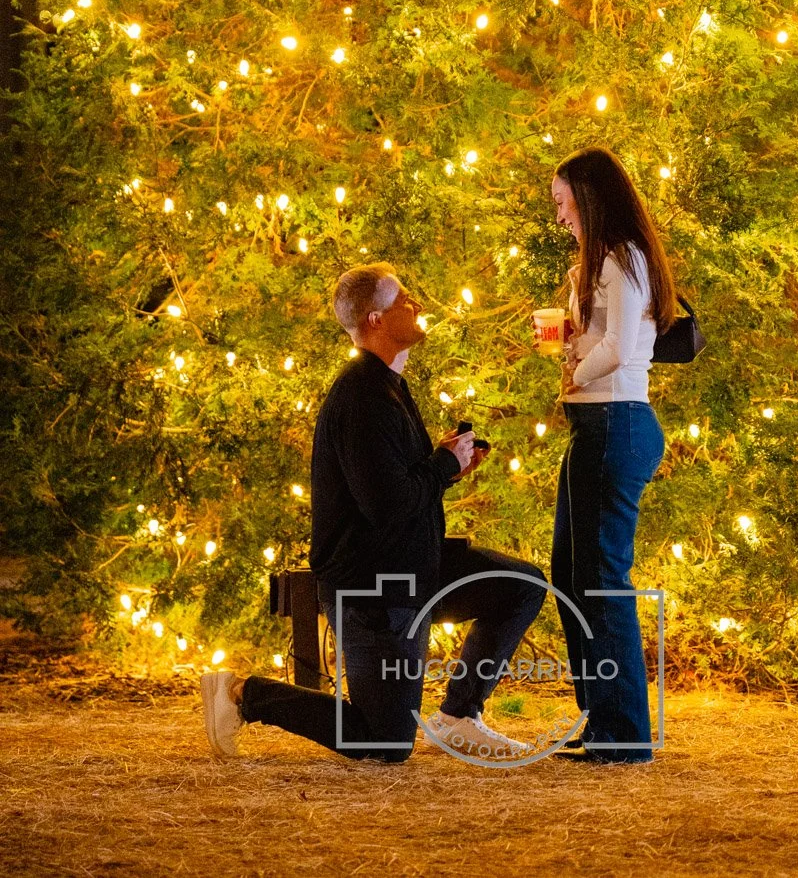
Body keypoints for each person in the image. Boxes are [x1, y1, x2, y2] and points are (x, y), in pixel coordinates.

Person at [201, 263, 547, 763]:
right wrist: (442, 464)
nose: (418, 306)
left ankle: (457, 714)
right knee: (384, 741)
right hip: (374, 588)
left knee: (522, 585)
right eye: (405, 300)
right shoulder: (363, 396)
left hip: (414, 566)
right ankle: (242, 695)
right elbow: (387, 507)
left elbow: (401, 489)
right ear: (377, 319)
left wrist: (446, 468)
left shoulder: (389, 385)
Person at [538, 147, 675, 764]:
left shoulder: (623, 258)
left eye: (564, 204)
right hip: (594, 428)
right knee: (570, 573)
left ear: (589, 198)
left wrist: (573, 369)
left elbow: (617, 349)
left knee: (601, 579)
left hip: (615, 422)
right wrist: (571, 323)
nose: (561, 216)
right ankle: (602, 717)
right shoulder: (600, 265)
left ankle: (623, 734)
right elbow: (601, 335)